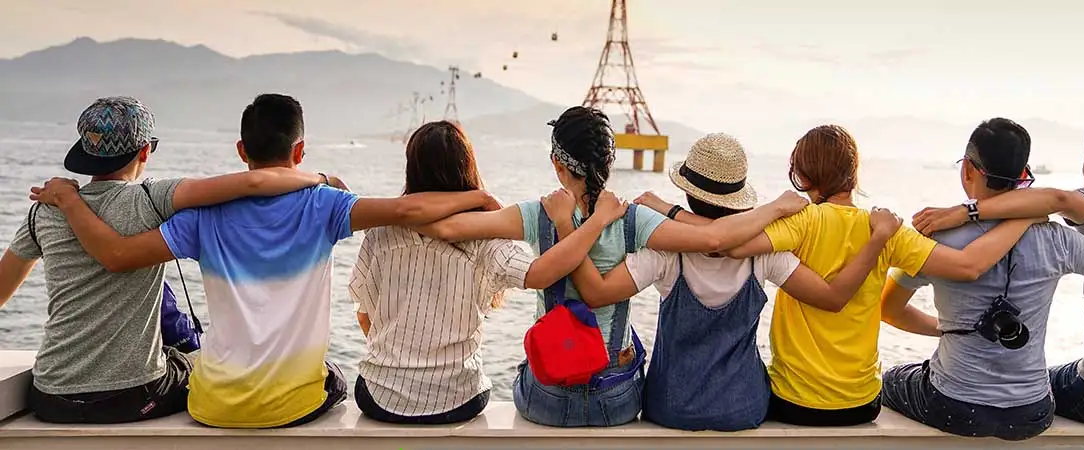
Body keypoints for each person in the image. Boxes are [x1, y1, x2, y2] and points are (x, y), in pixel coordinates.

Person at [28, 94, 502, 429]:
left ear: (241, 151)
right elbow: (408, 210)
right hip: (292, 407)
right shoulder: (326, 205)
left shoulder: (202, 216)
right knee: (333, 374)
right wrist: (480, 197)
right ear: (299, 150)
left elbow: (118, 255)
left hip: (212, 406)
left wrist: (70, 202)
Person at [414, 107, 807, 427]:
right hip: (615, 399)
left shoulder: (539, 213)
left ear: (558, 164)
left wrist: (480, 197)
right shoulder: (634, 219)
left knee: (527, 366)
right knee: (629, 346)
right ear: (610, 161)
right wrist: (775, 208)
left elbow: (446, 227)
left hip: (547, 398)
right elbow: (715, 239)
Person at [643, 124, 1041, 427]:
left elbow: (722, 243)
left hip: (794, 401)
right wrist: (1023, 214)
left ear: (803, 175)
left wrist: (667, 209)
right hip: (860, 405)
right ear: (853, 172)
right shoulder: (886, 228)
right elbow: (969, 266)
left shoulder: (802, 221)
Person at [0, 96, 328, 424]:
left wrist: (66, 197)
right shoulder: (151, 200)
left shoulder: (44, 211)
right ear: (145, 151)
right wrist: (321, 180)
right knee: (193, 365)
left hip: (51, 396)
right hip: (130, 396)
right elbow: (255, 182)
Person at [563, 132, 907, 431]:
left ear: (688, 194)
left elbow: (598, 293)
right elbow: (832, 297)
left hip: (670, 407)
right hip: (744, 408)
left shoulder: (666, 252)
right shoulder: (766, 254)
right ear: (738, 198)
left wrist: (569, 229)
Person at [879, 118, 1084, 440]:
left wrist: (948, 329)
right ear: (1024, 175)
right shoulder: (1058, 239)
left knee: (891, 379)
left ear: (967, 170)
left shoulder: (934, 239)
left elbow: (888, 309)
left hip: (956, 406)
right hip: (1032, 411)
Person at [348, 121, 628, 424]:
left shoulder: (380, 234)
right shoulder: (486, 239)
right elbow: (539, 273)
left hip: (380, 397)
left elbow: (365, 316)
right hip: (457, 399)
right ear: (467, 168)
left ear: (411, 170)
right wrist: (596, 222)